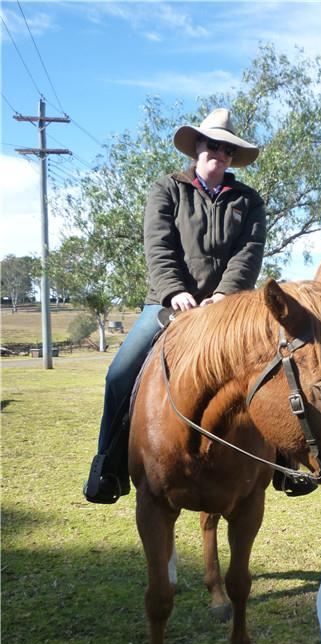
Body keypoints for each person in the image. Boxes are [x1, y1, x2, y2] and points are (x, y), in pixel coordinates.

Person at [84, 108, 266, 503]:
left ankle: (282, 468)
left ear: (233, 157)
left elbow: (248, 254)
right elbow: (159, 246)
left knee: (275, 365)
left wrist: (224, 296)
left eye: (227, 148)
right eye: (211, 144)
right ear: (197, 148)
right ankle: (109, 468)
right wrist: (174, 291)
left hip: (226, 308)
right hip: (170, 303)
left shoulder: (248, 201)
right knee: (120, 374)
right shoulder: (167, 189)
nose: (218, 152)